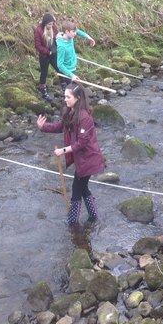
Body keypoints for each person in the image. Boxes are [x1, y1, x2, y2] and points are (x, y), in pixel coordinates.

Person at [37, 83, 105, 225]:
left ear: (78, 98)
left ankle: (72, 223)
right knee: (83, 187)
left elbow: (82, 143)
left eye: (68, 97)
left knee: (76, 190)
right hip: (81, 160)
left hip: (88, 160)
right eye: (65, 96)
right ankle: (93, 216)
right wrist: (43, 127)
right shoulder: (70, 112)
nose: (65, 99)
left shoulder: (85, 117)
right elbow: (59, 126)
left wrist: (63, 150)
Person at [56, 20, 96, 92]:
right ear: (67, 32)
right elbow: (59, 65)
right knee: (71, 92)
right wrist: (71, 75)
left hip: (72, 67)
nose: (75, 33)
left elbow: (78, 31)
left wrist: (89, 37)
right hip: (67, 71)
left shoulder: (70, 37)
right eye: (73, 32)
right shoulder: (61, 47)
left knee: (73, 90)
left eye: (75, 31)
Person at [33, 13, 58, 101]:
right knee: (44, 72)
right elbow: (38, 45)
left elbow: (57, 37)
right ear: (45, 23)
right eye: (49, 24)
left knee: (58, 68)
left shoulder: (54, 28)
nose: (51, 26)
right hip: (44, 55)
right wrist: (47, 52)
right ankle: (42, 87)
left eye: (52, 24)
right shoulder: (38, 30)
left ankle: (64, 84)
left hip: (53, 52)